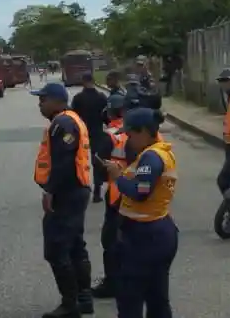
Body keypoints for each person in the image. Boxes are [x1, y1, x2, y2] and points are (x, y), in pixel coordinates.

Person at [102, 108, 178, 318]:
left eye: (131, 135)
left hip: (145, 235)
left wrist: (118, 177)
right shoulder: (160, 152)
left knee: (129, 297)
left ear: (144, 131)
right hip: (158, 230)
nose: (127, 140)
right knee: (157, 297)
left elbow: (140, 192)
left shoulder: (151, 158)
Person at [31, 82, 93, 318]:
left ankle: (70, 305)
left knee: (56, 250)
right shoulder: (68, 120)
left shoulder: (63, 124)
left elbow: (63, 164)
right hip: (77, 190)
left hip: (68, 193)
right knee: (76, 245)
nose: (40, 104)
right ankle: (83, 298)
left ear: (57, 101)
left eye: (43, 99)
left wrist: (50, 192)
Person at [91, 94, 126, 300]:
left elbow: (99, 161)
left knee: (111, 240)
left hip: (117, 195)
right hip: (141, 193)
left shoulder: (111, 135)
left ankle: (112, 283)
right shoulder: (143, 131)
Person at [71, 73, 108, 203]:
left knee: (79, 160)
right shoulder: (102, 97)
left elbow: (73, 117)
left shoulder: (78, 98)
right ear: (93, 81)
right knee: (97, 161)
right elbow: (107, 117)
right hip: (97, 132)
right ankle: (97, 191)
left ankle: (80, 188)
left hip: (81, 133)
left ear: (83, 82)